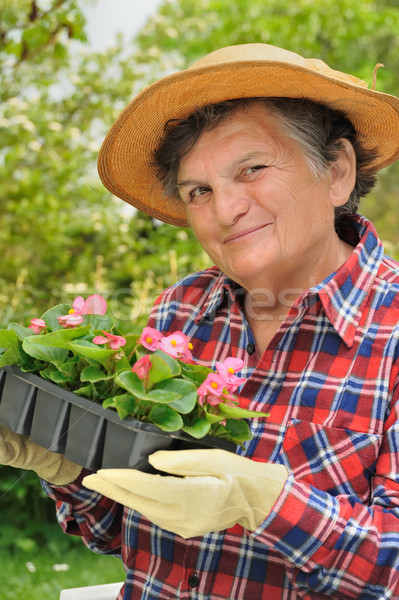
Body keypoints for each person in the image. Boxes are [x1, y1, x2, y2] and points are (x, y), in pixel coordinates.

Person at [2, 43, 399, 599]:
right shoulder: (180, 310)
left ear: (335, 172)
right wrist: (68, 467)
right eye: (199, 191)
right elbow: (122, 531)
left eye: (253, 169)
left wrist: (267, 503)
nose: (224, 209)